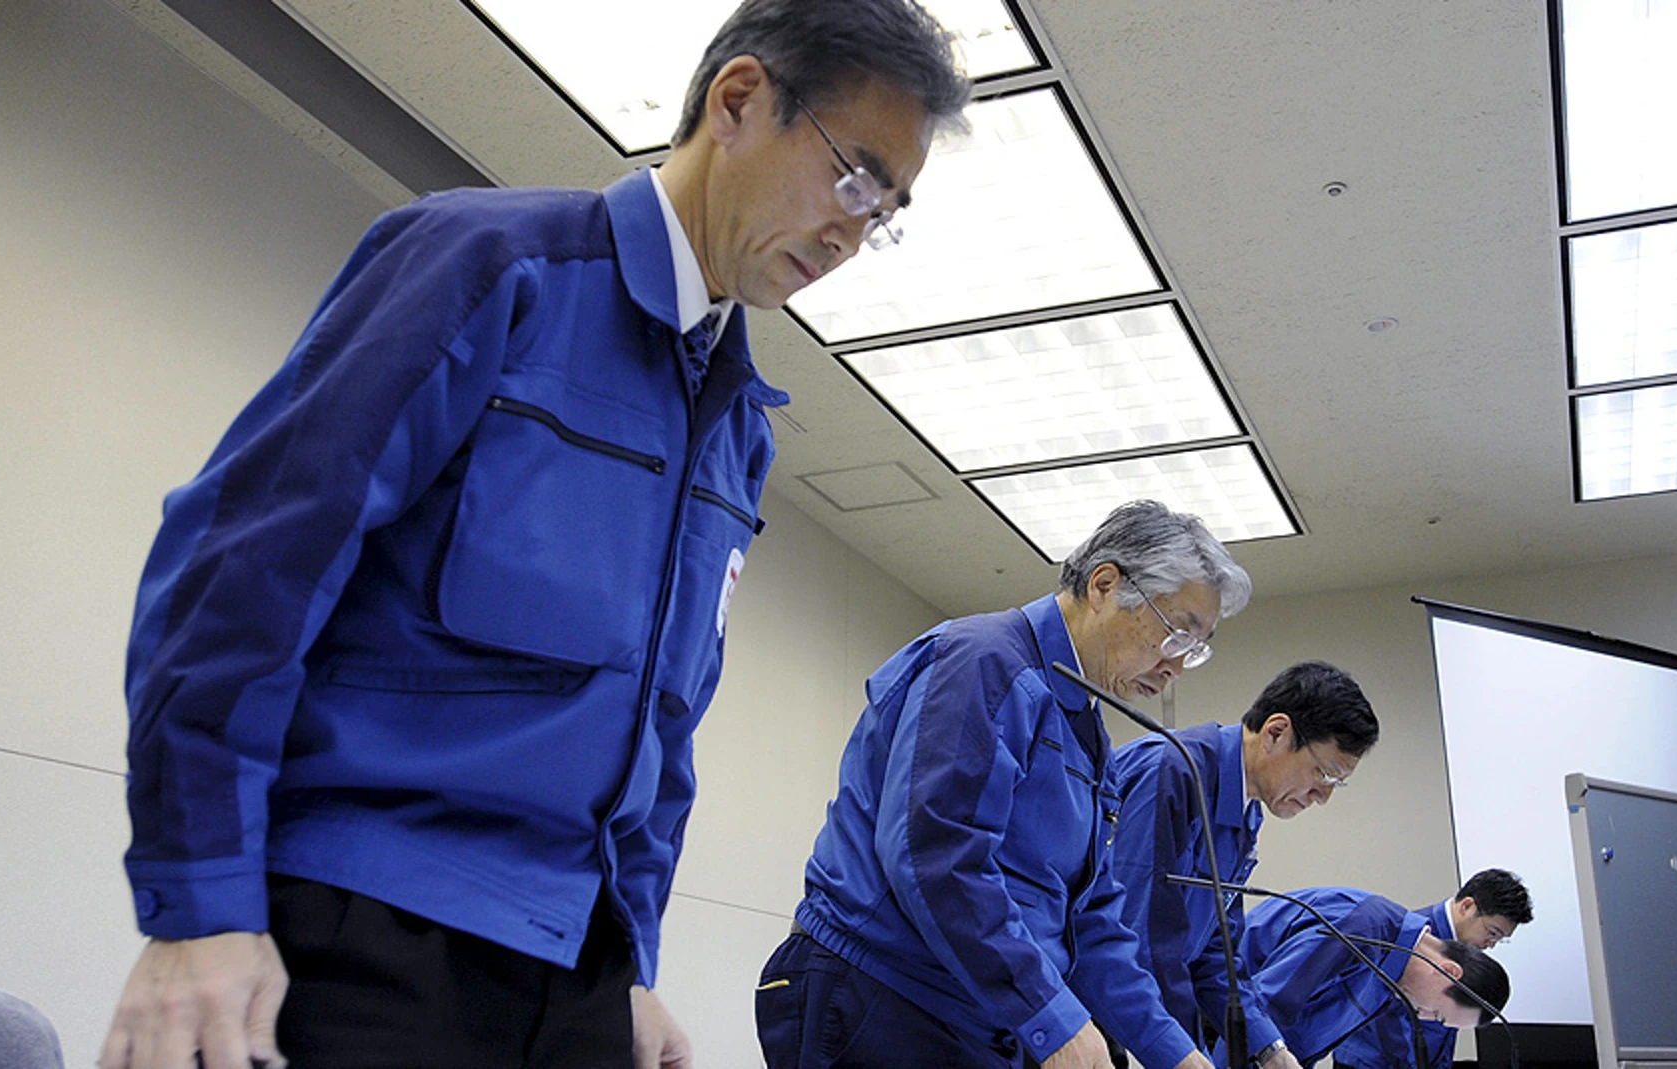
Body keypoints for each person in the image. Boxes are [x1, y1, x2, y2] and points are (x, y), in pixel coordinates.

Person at [97, 3, 971, 1068]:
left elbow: (664, 721)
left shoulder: (738, 425)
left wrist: (629, 960)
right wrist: (200, 905)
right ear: (739, 101)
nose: (851, 235)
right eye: (853, 179)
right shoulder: (490, 266)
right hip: (367, 930)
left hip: (574, 966)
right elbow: (245, 567)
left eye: (884, 212)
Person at [755, 501, 1253, 1069]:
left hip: (970, 1013)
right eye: (1176, 634)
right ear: (1105, 586)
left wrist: (1177, 1055)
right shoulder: (984, 662)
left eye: (1195, 649)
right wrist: (1051, 1016)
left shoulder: (1086, 730)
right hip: (882, 995)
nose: (1176, 666)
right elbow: (937, 856)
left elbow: (1089, 919)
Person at [1106, 661, 1381, 1069]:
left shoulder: (1245, 812)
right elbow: (1136, 939)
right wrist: (1184, 1054)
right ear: (1276, 732)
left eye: (1336, 783)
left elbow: (1216, 954)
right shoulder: (1173, 772)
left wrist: (1271, 1050)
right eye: (1323, 774)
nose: (1323, 797)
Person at [1223, 890, 1510, 1069]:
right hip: (1222, 1030)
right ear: (1448, 972)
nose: (1423, 1016)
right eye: (1436, 1014)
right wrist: (1273, 1055)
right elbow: (1260, 1006)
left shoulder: (1394, 976)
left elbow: (1310, 1037)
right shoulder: (1363, 927)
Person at [1332, 870, 1532, 1069]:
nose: (1491, 944)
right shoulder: (1411, 939)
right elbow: (1390, 1025)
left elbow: (1446, 1028)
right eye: (1492, 933)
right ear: (1467, 906)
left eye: (1500, 939)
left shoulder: (1462, 952)